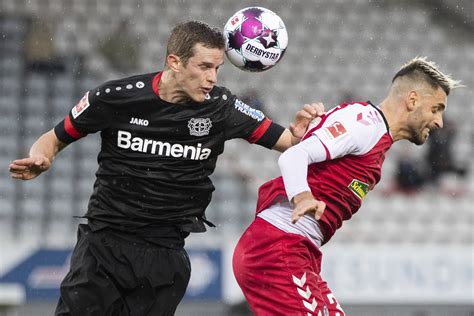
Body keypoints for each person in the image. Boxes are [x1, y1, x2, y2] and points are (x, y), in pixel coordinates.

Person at [9, 21, 323, 316]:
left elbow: (289, 143)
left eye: (217, 68)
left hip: (166, 256)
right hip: (103, 248)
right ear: (174, 62)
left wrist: (300, 132)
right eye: (204, 67)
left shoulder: (222, 106)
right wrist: (43, 157)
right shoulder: (115, 97)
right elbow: (52, 139)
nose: (212, 77)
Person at [232, 57, 461, 315]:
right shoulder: (364, 125)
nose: (440, 121)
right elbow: (293, 157)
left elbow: (306, 152)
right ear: (412, 100)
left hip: (296, 251)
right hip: (277, 248)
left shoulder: (373, 132)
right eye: (436, 108)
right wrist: (302, 196)